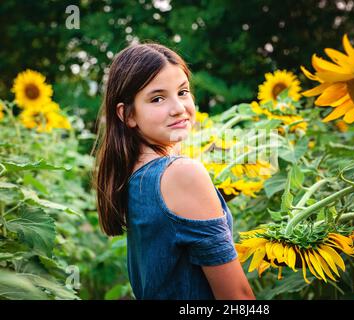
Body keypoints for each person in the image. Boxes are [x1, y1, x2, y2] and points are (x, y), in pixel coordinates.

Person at [93, 42, 255, 300]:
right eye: (158, 98)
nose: (179, 107)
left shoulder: (134, 176)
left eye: (183, 92)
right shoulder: (181, 174)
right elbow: (238, 297)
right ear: (128, 115)